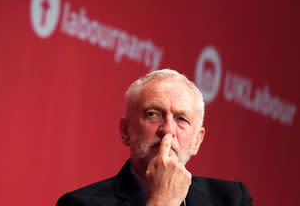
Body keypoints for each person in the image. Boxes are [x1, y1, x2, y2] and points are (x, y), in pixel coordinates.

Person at [56, 69, 253, 206]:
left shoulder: (232, 199)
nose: (168, 129)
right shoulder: (79, 203)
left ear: (197, 141)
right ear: (126, 131)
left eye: (181, 119)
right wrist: (162, 201)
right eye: (153, 114)